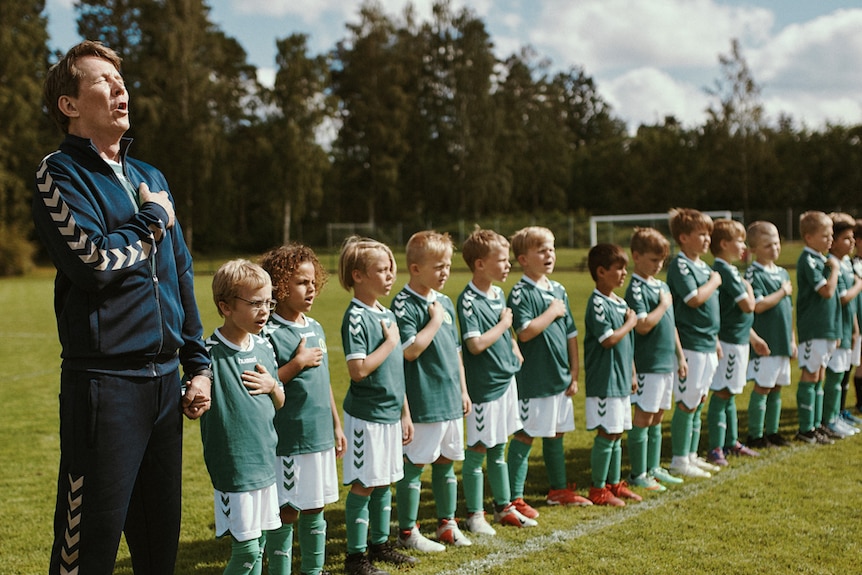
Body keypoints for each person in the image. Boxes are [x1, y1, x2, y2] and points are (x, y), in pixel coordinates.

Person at [32, 40, 212, 575]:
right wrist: (152, 221)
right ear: (69, 104)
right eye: (103, 81)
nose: (120, 89)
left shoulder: (151, 178)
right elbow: (92, 264)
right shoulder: (58, 174)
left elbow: (180, 272)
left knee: (159, 551)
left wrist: (198, 365)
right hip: (104, 390)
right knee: (88, 552)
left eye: (121, 80)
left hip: (164, 390)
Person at [260, 244, 348, 575]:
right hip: (289, 440)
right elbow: (266, 385)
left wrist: (336, 425)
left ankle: (314, 570)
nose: (310, 289)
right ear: (279, 286)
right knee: (287, 510)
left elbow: (323, 383)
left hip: (319, 436)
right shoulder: (268, 332)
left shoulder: (315, 327)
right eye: (300, 282)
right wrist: (296, 364)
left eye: (313, 282)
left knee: (316, 506)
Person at [201, 260, 285, 575]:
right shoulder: (208, 354)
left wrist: (273, 387)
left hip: (265, 461)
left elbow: (280, 400)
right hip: (235, 465)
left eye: (268, 302)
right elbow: (193, 398)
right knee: (247, 551)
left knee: (260, 543)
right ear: (225, 306)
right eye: (254, 303)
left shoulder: (265, 346)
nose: (264, 310)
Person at [338, 237, 417, 575]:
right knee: (365, 482)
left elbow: (395, 369)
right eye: (380, 270)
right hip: (366, 416)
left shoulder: (386, 313)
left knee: (384, 480)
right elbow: (358, 371)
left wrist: (405, 413)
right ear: (358, 275)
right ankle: (356, 558)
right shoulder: (356, 316)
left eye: (390, 269)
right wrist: (389, 343)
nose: (389, 276)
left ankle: (380, 544)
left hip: (389, 414)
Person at [392, 231, 473, 552]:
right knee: (415, 465)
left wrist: (463, 391)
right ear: (415, 268)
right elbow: (409, 351)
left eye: (448, 265)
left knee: (446, 462)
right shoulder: (403, 303)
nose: (445, 272)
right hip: (424, 399)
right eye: (438, 266)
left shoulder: (445, 301)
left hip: (451, 398)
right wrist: (435, 320)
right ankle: (408, 532)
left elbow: (455, 353)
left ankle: (446, 523)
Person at [457, 228, 538, 534]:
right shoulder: (468, 300)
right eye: (501, 260)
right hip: (485, 388)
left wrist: (514, 345)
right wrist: (505, 323)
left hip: (506, 381)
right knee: (478, 448)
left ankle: (504, 507)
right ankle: (475, 515)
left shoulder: (497, 293)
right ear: (480, 264)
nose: (507, 266)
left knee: (499, 447)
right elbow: (475, 345)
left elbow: (503, 332)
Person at [507, 226, 592, 511]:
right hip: (535, 379)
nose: (549, 255)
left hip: (560, 377)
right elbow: (525, 332)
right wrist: (552, 311)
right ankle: (514, 498)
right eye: (542, 250)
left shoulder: (558, 289)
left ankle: (558, 490)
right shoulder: (520, 292)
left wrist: (574, 373)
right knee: (525, 434)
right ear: (522, 259)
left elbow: (570, 334)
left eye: (552, 248)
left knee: (557, 433)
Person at [624, 228, 687, 491]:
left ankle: (654, 467)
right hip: (648, 363)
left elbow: (670, 325)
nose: (658, 265)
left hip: (665, 363)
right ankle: (638, 473)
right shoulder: (636, 288)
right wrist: (662, 304)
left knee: (658, 416)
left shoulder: (661, 285)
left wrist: (680, 356)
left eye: (662, 260)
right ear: (636, 256)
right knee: (644, 417)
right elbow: (643, 325)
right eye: (653, 259)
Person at [665, 208, 722, 478]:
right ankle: (678, 459)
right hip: (690, 343)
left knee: (698, 401)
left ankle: (691, 455)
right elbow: (694, 299)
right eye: (701, 234)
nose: (707, 239)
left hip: (708, 343)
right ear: (683, 237)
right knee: (686, 403)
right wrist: (714, 281)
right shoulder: (680, 265)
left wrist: (717, 340)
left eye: (708, 234)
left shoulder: (703, 266)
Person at [705, 220, 767, 466]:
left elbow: (739, 315)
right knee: (722, 392)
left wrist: (754, 338)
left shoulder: (731, 270)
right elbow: (748, 306)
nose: (744, 246)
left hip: (739, 341)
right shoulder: (724, 271)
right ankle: (716, 448)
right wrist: (750, 288)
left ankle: (731, 442)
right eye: (739, 241)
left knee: (730, 393)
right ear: (724, 244)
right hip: (728, 342)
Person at [583, 244, 640, 506]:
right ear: (601, 272)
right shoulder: (597, 303)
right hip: (604, 380)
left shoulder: (620, 303)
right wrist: (630, 324)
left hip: (620, 379)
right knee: (607, 433)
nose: (624, 273)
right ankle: (598, 489)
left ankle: (614, 483)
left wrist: (632, 373)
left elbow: (627, 347)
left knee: (617, 433)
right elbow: (608, 340)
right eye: (619, 268)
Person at [743, 221, 796, 448]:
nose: (774, 248)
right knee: (763, 386)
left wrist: (792, 339)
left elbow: (788, 309)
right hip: (765, 341)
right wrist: (782, 291)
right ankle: (755, 435)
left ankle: (772, 431)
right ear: (753, 249)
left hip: (782, 340)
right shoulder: (753, 273)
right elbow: (758, 305)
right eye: (767, 245)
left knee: (777, 387)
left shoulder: (782, 272)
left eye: (776, 243)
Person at [794, 211, 841, 445]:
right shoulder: (808, 260)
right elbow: (827, 291)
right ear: (809, 237)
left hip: (827, 328)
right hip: (813, 328)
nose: (830, 239)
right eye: (825, 235)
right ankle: (806, 427)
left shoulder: (821, 259)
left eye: (831, 235)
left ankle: (817, 424)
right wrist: (835, 270)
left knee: (820, 375)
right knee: (811, 374)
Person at [821, 213, 862, 438]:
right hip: (835, 328)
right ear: (833, 241)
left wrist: (855, 328)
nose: (852, 243)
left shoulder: (846, 263)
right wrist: (859, 284)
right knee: (834, 376)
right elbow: (843, 298)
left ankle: (837, 415)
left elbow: (851, 304)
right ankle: (828, 419)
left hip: (847, 328)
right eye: (847, 238)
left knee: (842, 374)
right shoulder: (832, 264)